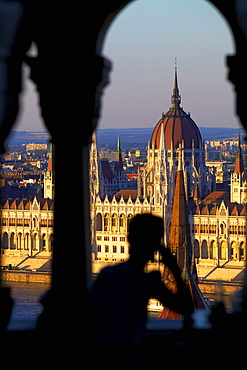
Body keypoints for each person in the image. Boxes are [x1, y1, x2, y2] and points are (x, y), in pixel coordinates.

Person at [90, 213, 194, 345]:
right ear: (156, 246)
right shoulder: (147, 281)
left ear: (129, 239)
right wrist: (173, 266)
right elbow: (186, 307)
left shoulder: (107, 274)